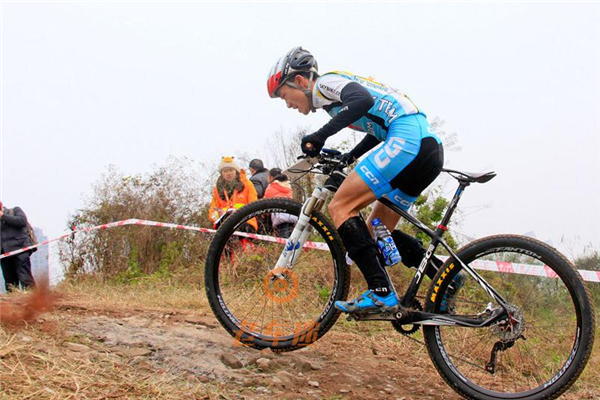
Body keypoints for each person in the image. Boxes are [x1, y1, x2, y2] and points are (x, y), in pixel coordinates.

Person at [267, 46, 450, 314]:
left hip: (407, 138)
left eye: (284, 96)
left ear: (300, 81)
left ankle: (381, 293)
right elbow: (376, 127)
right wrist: (350, 155)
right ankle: (446, 276)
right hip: (427, 147)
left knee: (340, 207)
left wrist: (319, 136)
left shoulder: (325, 84)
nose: (288, 104)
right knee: (375, 229)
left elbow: (362, 100)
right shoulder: (332, 102)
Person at [208, 156, 258, 232]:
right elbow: (212, 214)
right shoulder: (217, 189)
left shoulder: (247, 185)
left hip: (246, 222)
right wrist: (218, 215)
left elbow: (255, 206)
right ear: (221, 174)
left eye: (231, 170)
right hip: (224, 224)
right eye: (225, 171)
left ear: (236, 171)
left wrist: (238, 213)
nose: (228, 173)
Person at [0, 201, 36, 292]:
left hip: (20, 249)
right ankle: (13, 301)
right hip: (4, 253)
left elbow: (22, 221)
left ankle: (31, 296)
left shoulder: (14, 211)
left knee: (24, 275)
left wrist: (3, 216)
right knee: (10, 282)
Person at [263, 168, 298, 238]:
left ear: (271, 177)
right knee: (291, 239)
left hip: (280, 217)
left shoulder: (271, 187)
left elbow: (264, 204)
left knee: (283, 239)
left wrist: (263, 214)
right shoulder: (288, 187)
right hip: (292, 215)